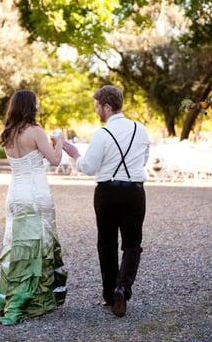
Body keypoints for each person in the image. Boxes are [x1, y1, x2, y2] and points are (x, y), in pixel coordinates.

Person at [63, 85, 149, 317]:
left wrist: (75, 156)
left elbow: (89, 167)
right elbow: (144, 160)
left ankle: (110, 295)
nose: (96, 111)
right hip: (134, 191)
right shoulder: (140, 130)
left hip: (107, 192)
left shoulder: (102, 134)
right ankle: (123, 288)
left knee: (107, 244)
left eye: (97, 106)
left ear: (107, 107)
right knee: (132, 244)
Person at [0, 90, 67, 326]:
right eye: (36, 103)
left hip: (15, 194)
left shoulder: (7, 133)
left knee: (18, 245)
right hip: (36, 194)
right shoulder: (35, 132)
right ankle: (33, 298)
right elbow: (55, 160)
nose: (38, 106)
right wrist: (61, 143)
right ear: (29, 106)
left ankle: (13, 294)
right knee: (40, 243)